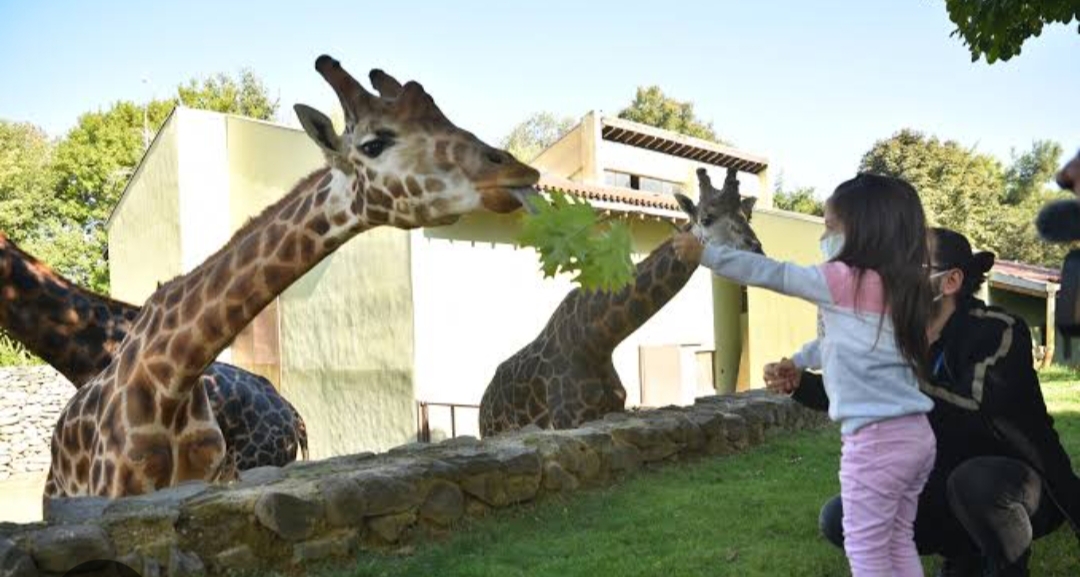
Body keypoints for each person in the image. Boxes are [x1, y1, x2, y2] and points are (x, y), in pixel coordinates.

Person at [767, 227, 1080, 576]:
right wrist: (802, 384)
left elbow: (976, 413)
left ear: (950, 281)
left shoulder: (999, 330)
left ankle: (1003, 564)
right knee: (840, 516)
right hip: (941, 483)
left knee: (974, 480)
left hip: (1018, 487)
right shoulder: (897, 336)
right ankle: (964, 552)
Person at [673, 173, 937, 576]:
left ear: (865, 230)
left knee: (866, 550)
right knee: (898, 539)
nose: (824, 238)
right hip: (916, 436)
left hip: (876, 443)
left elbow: (772, 273)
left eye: (830, 227)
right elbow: (842, 342)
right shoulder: (901, 288)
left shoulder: (843, 279)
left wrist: (705, 253)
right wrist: (799, 360)